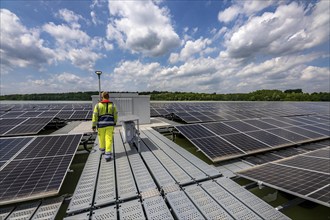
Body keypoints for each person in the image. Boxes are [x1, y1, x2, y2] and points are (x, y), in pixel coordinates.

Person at [92, 91, 118, 161]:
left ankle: (103, 151)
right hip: (110, 125)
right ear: (108, 96)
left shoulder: (97, 105)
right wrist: (115, 122)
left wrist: (94, 125)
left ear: (102, 97)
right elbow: (115, 114)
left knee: (101, 138)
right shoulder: (112, 105)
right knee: (108, 139)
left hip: (101, 125)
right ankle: (108, 155)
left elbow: (95, 116)